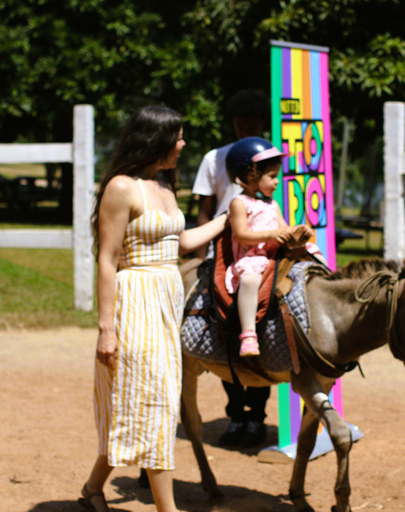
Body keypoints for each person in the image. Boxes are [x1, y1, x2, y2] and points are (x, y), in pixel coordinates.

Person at [81, 105, 226, 512]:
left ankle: (93, 489)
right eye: (177, 137)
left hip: (165, 302)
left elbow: (177, 242)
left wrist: (226, 221)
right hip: (135, 301)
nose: (182, 144)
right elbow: (108, 259)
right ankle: (169, 509)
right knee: (157, 401)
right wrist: (106, 328)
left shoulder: (163, 185)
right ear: (156, 138)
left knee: (141, 397)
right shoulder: (122, 188)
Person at [191, 90, 273, 447]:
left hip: (263, 245)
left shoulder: (272, 159)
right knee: (226, 324)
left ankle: (257, 416)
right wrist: (201, 249)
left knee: (265, 320)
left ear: (263, 125)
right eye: (239, 126)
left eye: (251, 127)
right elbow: (205, 206)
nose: (244, 133)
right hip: (224, 249)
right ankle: (236, 414)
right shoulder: (214, 158)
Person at [225, 137, 313, 357]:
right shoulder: (239, 203)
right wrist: (271, 234)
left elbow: (284, 229)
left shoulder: (272, 204)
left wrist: (300, 230)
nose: (276, 182)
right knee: (250, 280)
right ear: (250, 176)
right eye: (272, 177)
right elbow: (241, 234)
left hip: (274, 255)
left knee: (311, 265)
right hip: (251, 258)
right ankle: (248, 334)